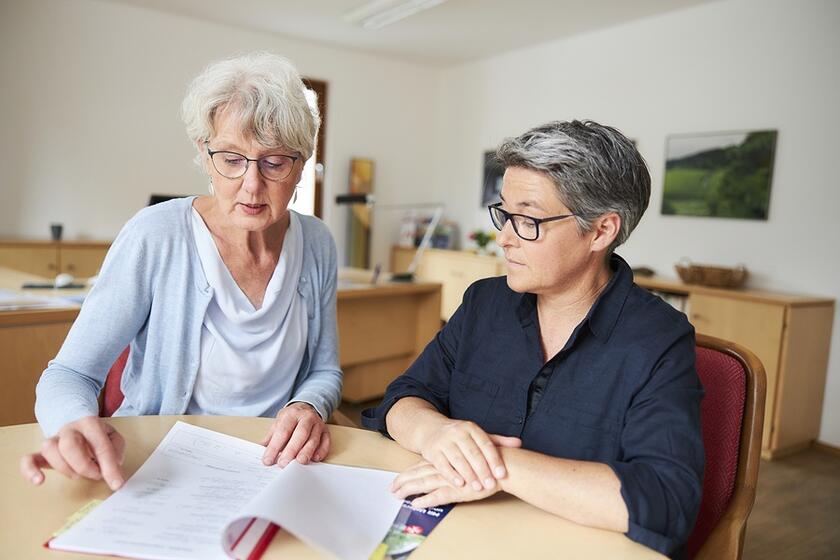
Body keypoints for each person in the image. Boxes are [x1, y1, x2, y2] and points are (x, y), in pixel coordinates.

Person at [362, 121, 704, 558]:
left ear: (601, 231)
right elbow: (404, 397)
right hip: (456, 536)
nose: (504, 238)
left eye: (527, 219)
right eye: (505, 213)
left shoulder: (659, 340)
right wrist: (434, 432)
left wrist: (493, 465)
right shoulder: (484, 303)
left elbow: (666, 501)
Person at [20, 52, 342, 491]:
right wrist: (73, 423)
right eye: (231, 158)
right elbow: (70, 374)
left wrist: (309, 405)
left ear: (301, 164)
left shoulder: (318, 243)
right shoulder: (156, 235)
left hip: (275, 466)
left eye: (274, 162)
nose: (251, 184)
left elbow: (325, 370)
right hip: (162, 464)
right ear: (204, 155)